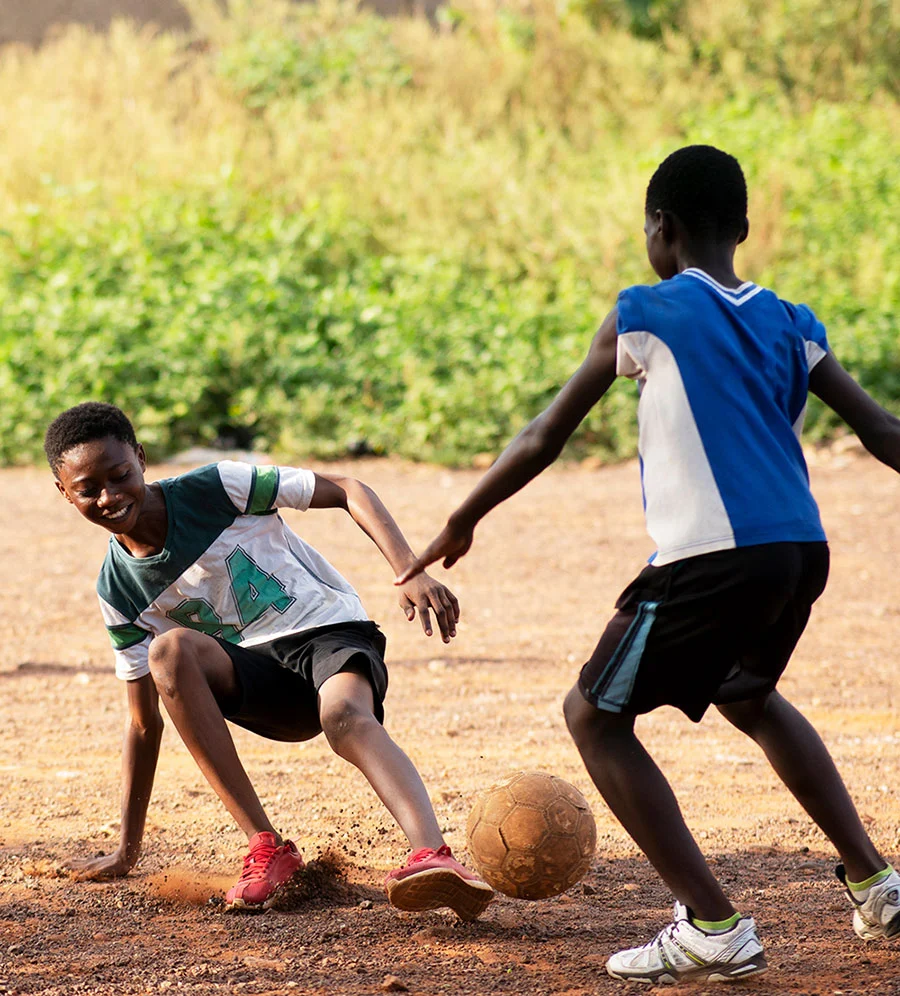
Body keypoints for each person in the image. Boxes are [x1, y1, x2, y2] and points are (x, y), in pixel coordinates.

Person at [396, 145, 900, 982]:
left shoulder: (646, 311)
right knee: (749, 694)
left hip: (711, 556)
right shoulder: (791, 320)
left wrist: (461, 516)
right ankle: (878, 885)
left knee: (593, 718)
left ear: (660, 229)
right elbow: (882, 431)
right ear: (741, 228)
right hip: (798, 552)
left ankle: (713, 925)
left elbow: (544, 436)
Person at [45, 401, 493, 919]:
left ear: (141, 458)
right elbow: (144, 724)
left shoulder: (217, 486)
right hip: (259, 680)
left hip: (327, 632)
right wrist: (127, 850)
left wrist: (409, 570)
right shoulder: (118, 589)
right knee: (169, 650)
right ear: (64, 492)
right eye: (87, 489)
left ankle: (431, 856)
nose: (109, 495)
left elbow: (348, 488)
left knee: (344, 717)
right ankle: (267, 846)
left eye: (120, 475)